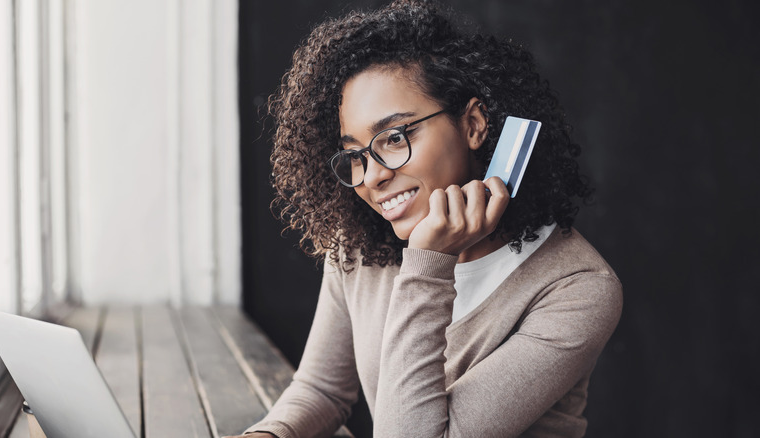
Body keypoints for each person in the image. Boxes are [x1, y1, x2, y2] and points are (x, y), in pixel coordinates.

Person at [228, 0, 622, 436]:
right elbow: (323, 389)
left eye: (395, 137)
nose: (373, 176)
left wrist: (428, 262)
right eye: (354, 154)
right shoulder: (358, 248)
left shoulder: (577, 289)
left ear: (473, 124)